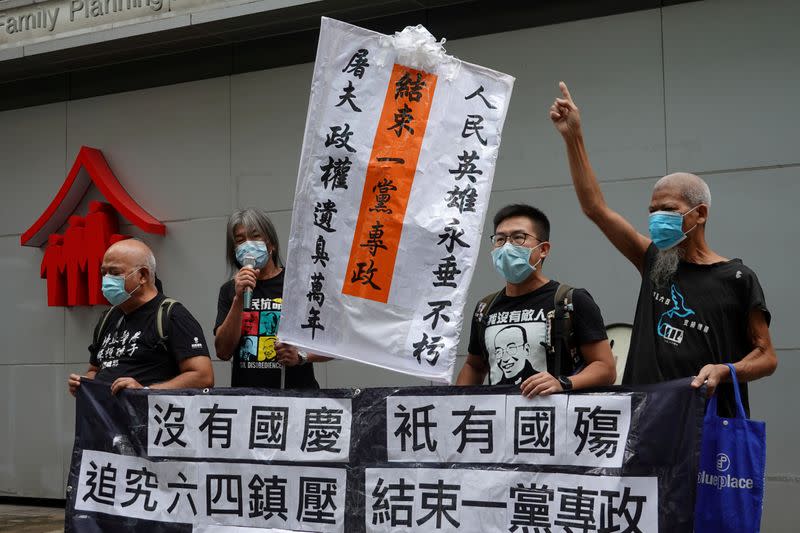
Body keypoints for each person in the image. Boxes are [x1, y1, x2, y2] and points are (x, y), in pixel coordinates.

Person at [549, 81, 777, 416]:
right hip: (647, 419)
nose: (656, 219)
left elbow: (766, 356)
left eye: (667, 210)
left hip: (708, 424)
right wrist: (574, 138)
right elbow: (595, 208)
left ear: (699, 214)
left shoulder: (738, 278)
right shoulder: (654, 259)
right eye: (652, 211)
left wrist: (725, 370)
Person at [456, 204, 616, 396]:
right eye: (500, 239)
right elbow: (474, 366)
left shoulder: (571, 300)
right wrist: (454, 406)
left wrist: (563, 383)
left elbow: (605, 368)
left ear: (543, 249)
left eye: (518, 237)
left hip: (552, 420)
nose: (507, 247)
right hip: (500, 422)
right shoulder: (485, 308)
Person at [67, 239, 214, 396]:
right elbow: (95, 369)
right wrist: (85, 383)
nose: (107, 279)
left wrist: (145, 391)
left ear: (142, 275)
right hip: (105, 419)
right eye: (104, 273)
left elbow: (203, 377)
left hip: (148, 418)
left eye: (115, 273)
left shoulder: (172, 315)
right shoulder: (108, 317)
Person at [214, 208, 329, 388]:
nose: (248, 244)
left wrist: (301, 357)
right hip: (249, 401)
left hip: (297, 398)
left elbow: (332, 344)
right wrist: (238, 299)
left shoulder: (298, 285)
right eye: (240, 240)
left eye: (255, 236)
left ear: (271, 244)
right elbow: (222, 351)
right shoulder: (230, 290)